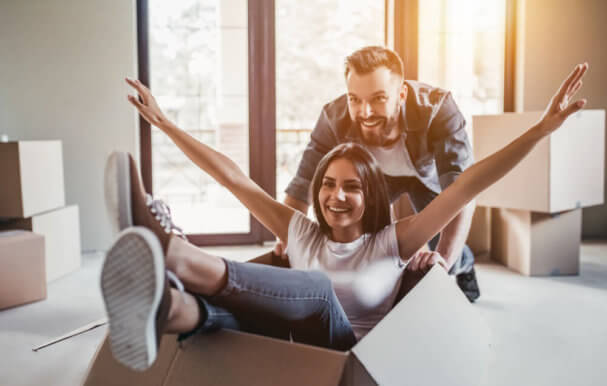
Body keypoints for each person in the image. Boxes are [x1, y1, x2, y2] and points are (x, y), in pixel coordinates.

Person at [101, 62, 588, 372]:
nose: (336, 196)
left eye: (352, 186)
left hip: (347, 355)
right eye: (329, 184)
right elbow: (235, 179)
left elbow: (467, 184)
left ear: (371, 193)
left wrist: (541, 130)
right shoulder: (301, 230)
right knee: (223, 314)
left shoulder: (393, 242)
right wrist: (165, 124)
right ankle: (167, 308)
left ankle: (175, 252)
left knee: (315, 288)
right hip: (291, 345)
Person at [276, 46, 480, 301]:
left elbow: (462, 189)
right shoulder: (333, 117)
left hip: (426, 177)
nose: (366, 112)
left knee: (443, 239)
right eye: (355, 99)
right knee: (370, 236)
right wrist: (287, 238)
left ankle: (465, 264)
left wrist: (444, 263)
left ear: (402, 94)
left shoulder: (439, 109)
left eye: (378, 98)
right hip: (377, 178)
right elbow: (303, 183)